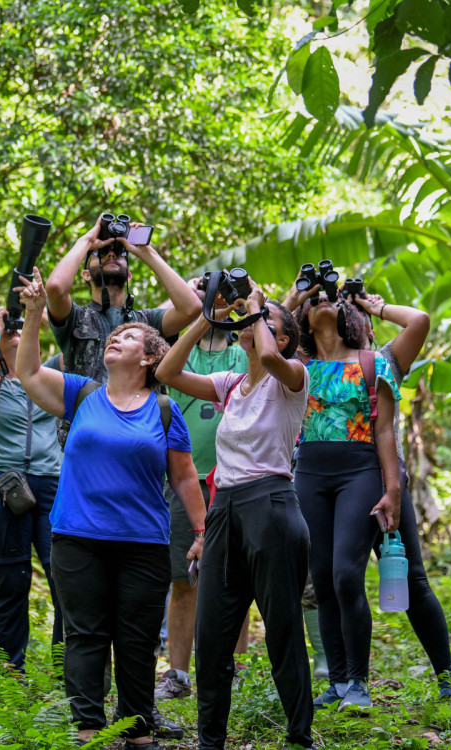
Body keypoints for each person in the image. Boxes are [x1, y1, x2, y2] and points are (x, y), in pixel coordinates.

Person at [15, 269, 207, 750]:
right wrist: (35, 314)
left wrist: (202, 529)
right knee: (85, 635)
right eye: (113, 336)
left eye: (127, 336)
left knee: (137, 640)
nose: (114, 339)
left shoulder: (164, 409)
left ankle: (139, 731)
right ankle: (89, 730)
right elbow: (28, 373)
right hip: (78, 538)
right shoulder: (82, 394)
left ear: (147, 358)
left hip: (143, 543)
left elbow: (183, 476)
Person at [157, 281, 314, 749]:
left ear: (281, 336)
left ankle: (299, 736)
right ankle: (211, 741)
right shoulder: (229, 384)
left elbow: (267, 359)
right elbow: (167, 370)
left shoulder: (292, 376)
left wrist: (262, 309)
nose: (250, 321)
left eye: (266, 323)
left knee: (283, 629)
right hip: (224, 507)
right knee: (213, 634)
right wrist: (208, 315)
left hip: (272, 505)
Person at [290, 278, 402, 712]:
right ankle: (337, 681)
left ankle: (358, 681)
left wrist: (392, 490)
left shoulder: (374, 363)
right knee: (319, 575)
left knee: (345, 575)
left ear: (343, 312)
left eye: (327, 296)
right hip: (311, 474)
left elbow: (386, 430)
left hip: (360, 471)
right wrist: (297, 295)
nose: (322, 301)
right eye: (314, 300)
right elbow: (264, 340)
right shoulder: (297, 365)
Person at [354, 291, 451, 697]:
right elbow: (278, 337)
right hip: (330, 487)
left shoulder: (382, 362)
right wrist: (304, 297)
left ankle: (446, 676)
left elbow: (418, 321)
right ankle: (348, 682)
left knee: (413, 579)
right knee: (341, 583)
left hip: (386, 488)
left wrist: (374, 306)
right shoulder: (311, 365)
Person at [153, 283, 249, 703]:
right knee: (182, 580)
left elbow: (270, 337)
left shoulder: (240, 353)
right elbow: (161, 355)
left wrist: (244, 301)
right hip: (183, 480)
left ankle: (237, 668)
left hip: (233, 479)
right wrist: (199, 311)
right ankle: (178, 673)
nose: (220, 302)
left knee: (237, 578)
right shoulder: (182, 350)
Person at [0, 304, 64, 672]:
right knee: (11, 582)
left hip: (52, 484)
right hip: (3, 487)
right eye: (10, 329)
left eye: (20, 328)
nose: (14, 332)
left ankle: (66, 668)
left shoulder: (52, 374)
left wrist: (37, 314)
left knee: (65, 579)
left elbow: (75, 344)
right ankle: (11, 672)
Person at [45, 215, 201, 383]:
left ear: (128, 275)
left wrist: (147, 252)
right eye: (102, 253)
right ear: (86, 274)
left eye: (119, 253)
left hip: (140, 409)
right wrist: (88, 240)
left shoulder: (148, 322)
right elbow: (55, 288)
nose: (111, 254)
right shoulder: (76, 318)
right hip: (89, 408)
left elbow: (191, 308)